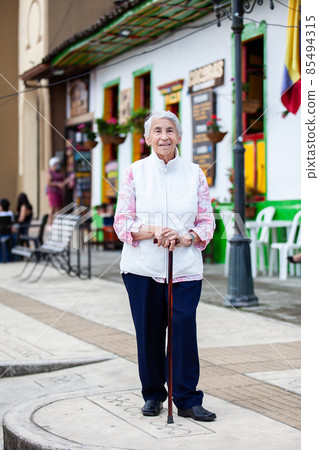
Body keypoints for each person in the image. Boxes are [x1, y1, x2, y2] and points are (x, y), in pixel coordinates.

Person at [114, 110, 216, 422]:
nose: (164, 136)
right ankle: (153, 394)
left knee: (184, 330)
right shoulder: (134, 172)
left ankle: (186, 398)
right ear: (147, 138)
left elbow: (207, 221)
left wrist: (187, 237)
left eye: (170, 130)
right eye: (157, 131)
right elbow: (122, 223)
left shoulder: (195, 173)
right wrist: (153, 232)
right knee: (149, 332)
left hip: (184, 268)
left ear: (179, 137)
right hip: (142, 268)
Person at [46, 156, 70, 225]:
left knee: (58, 208)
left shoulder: (58, 172)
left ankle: (57, 223)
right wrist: (57, 184)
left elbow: (62, 183)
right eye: (56, 164)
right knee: (52, 208)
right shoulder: (50, 172)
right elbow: (48, 182)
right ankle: (50, 224)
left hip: (58, 192)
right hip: (52, 192)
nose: (58, 166)